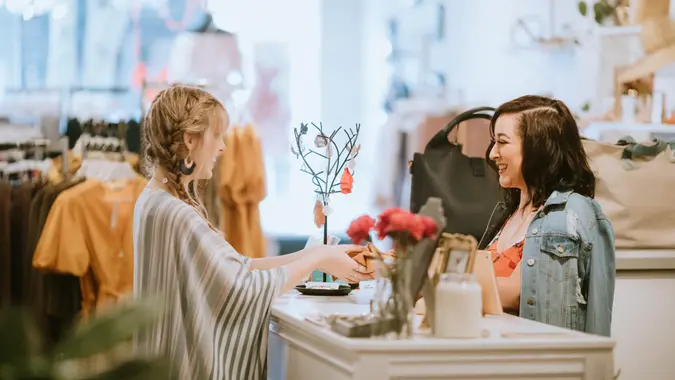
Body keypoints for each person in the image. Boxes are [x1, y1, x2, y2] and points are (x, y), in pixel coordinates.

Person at [133, 85, 372, 379]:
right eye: (217, 136)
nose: (222, 147)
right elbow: (240, 287)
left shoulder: (155, 199)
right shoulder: (176, 212)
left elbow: (236, 267)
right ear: (190, 139)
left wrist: (317, 256)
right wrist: (317, 258)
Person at [477, 95, 615, 337]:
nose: (492, 154)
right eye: (493, 142)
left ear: (537, 148)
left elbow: (597, 315)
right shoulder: (507, 212)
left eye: (502, 142)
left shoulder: (576, 212)